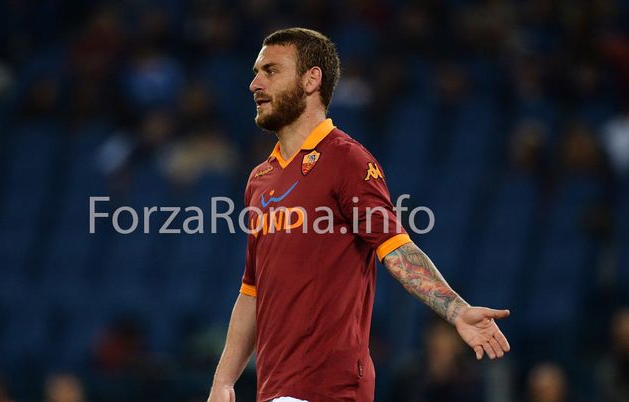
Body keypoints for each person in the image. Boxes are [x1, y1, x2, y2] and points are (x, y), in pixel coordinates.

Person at [207, 28, 511, 402]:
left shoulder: (346, 159)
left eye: (271, 71)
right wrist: (223, 381)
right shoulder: (260, 179)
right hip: (275, 389)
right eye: (256, 72)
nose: (255, 84)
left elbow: (396, 248)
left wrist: (456, 310)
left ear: (311, 80)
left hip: (329, 388)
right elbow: (252, 291)